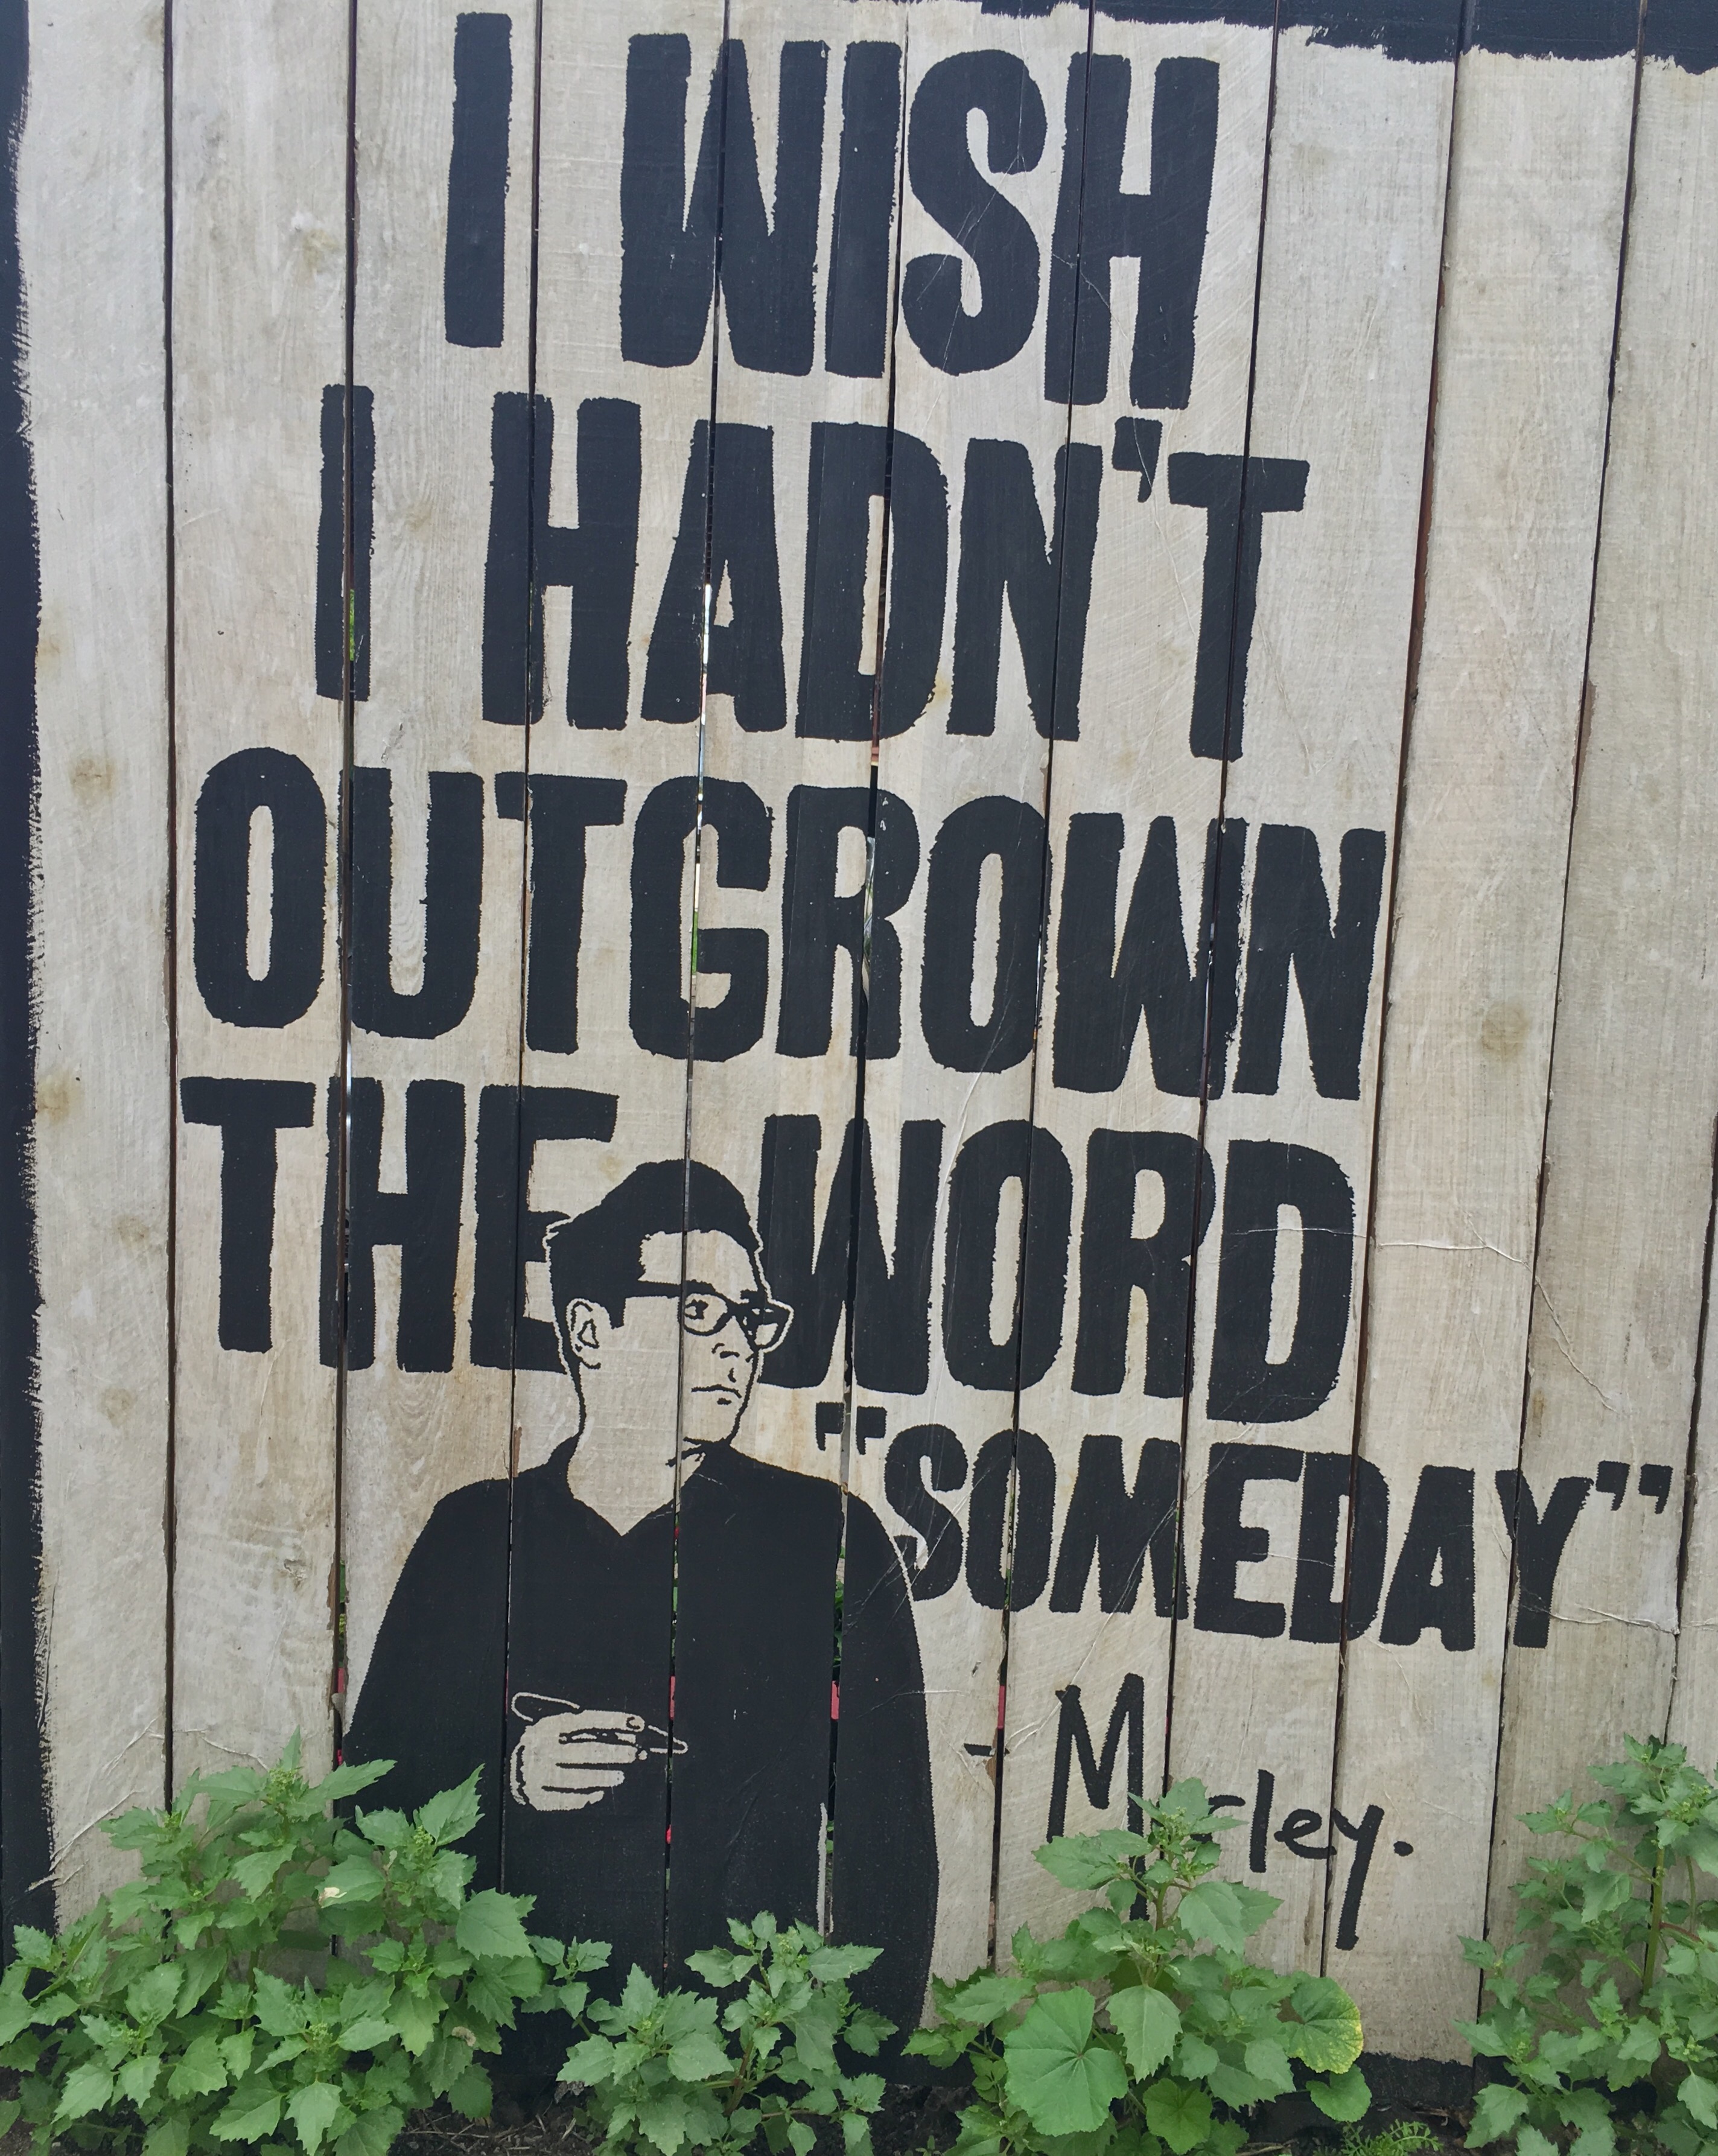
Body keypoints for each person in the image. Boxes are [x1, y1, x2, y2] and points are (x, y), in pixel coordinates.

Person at [345, 1159, 937, 2047]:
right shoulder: (474, 1536)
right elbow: (373, 1799)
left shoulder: (824, 1536)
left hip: (743, 2063)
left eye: (750, 1317)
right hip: (503, 2053)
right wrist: (511, 1779)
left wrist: (857, 2067)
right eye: (699, 1310)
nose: (737, 1346)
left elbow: (889, 1843)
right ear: (592, 1328)